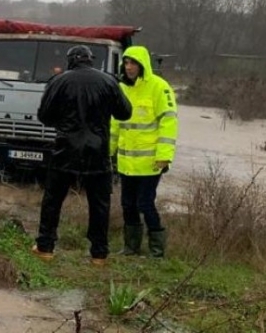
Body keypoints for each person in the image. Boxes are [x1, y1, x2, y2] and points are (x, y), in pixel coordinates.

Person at [33, 44, 132, 265]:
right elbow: (125, 113)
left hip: (65, 149)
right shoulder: (108, 81)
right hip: (98, 150)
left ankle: (45, 247)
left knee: (53, 200)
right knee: (99, 204)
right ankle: (99, 254)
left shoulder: (58, 81)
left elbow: (44, 116)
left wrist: (64, 123)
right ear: (90, 59)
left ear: (70, 61)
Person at [110, 45, 178, 258]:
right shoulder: (122, 88)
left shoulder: (159, 87)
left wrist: (164, 156)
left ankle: (157, 250)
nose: (129, 67)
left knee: (145, 203)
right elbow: (115, 124)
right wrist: (108, 152)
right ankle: (131, 247)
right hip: (126, 162)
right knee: (127, 204)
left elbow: (169, 123)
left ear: (142, 65)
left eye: (133, 63)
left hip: (150, 163)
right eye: (126, 63)